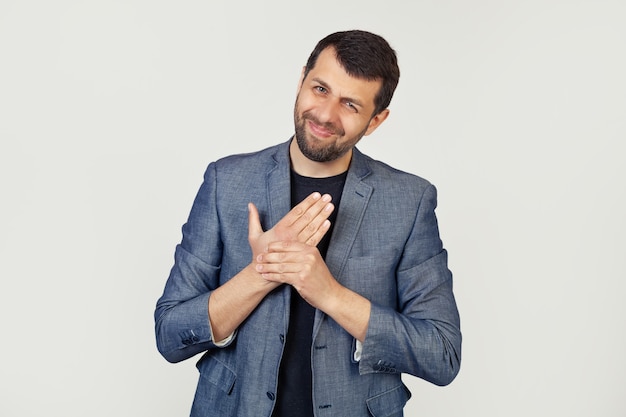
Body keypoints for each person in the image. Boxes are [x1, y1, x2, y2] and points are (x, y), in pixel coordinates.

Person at [155, 29, 461, 417]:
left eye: (350, 104)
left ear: (376, 120)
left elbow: (442, 354)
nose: (325, 115)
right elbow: (170, 335)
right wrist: (262, 273)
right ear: (301, 80)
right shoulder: (225, 182)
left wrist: (330, 294)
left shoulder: (409, 200)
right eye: (320, 89)